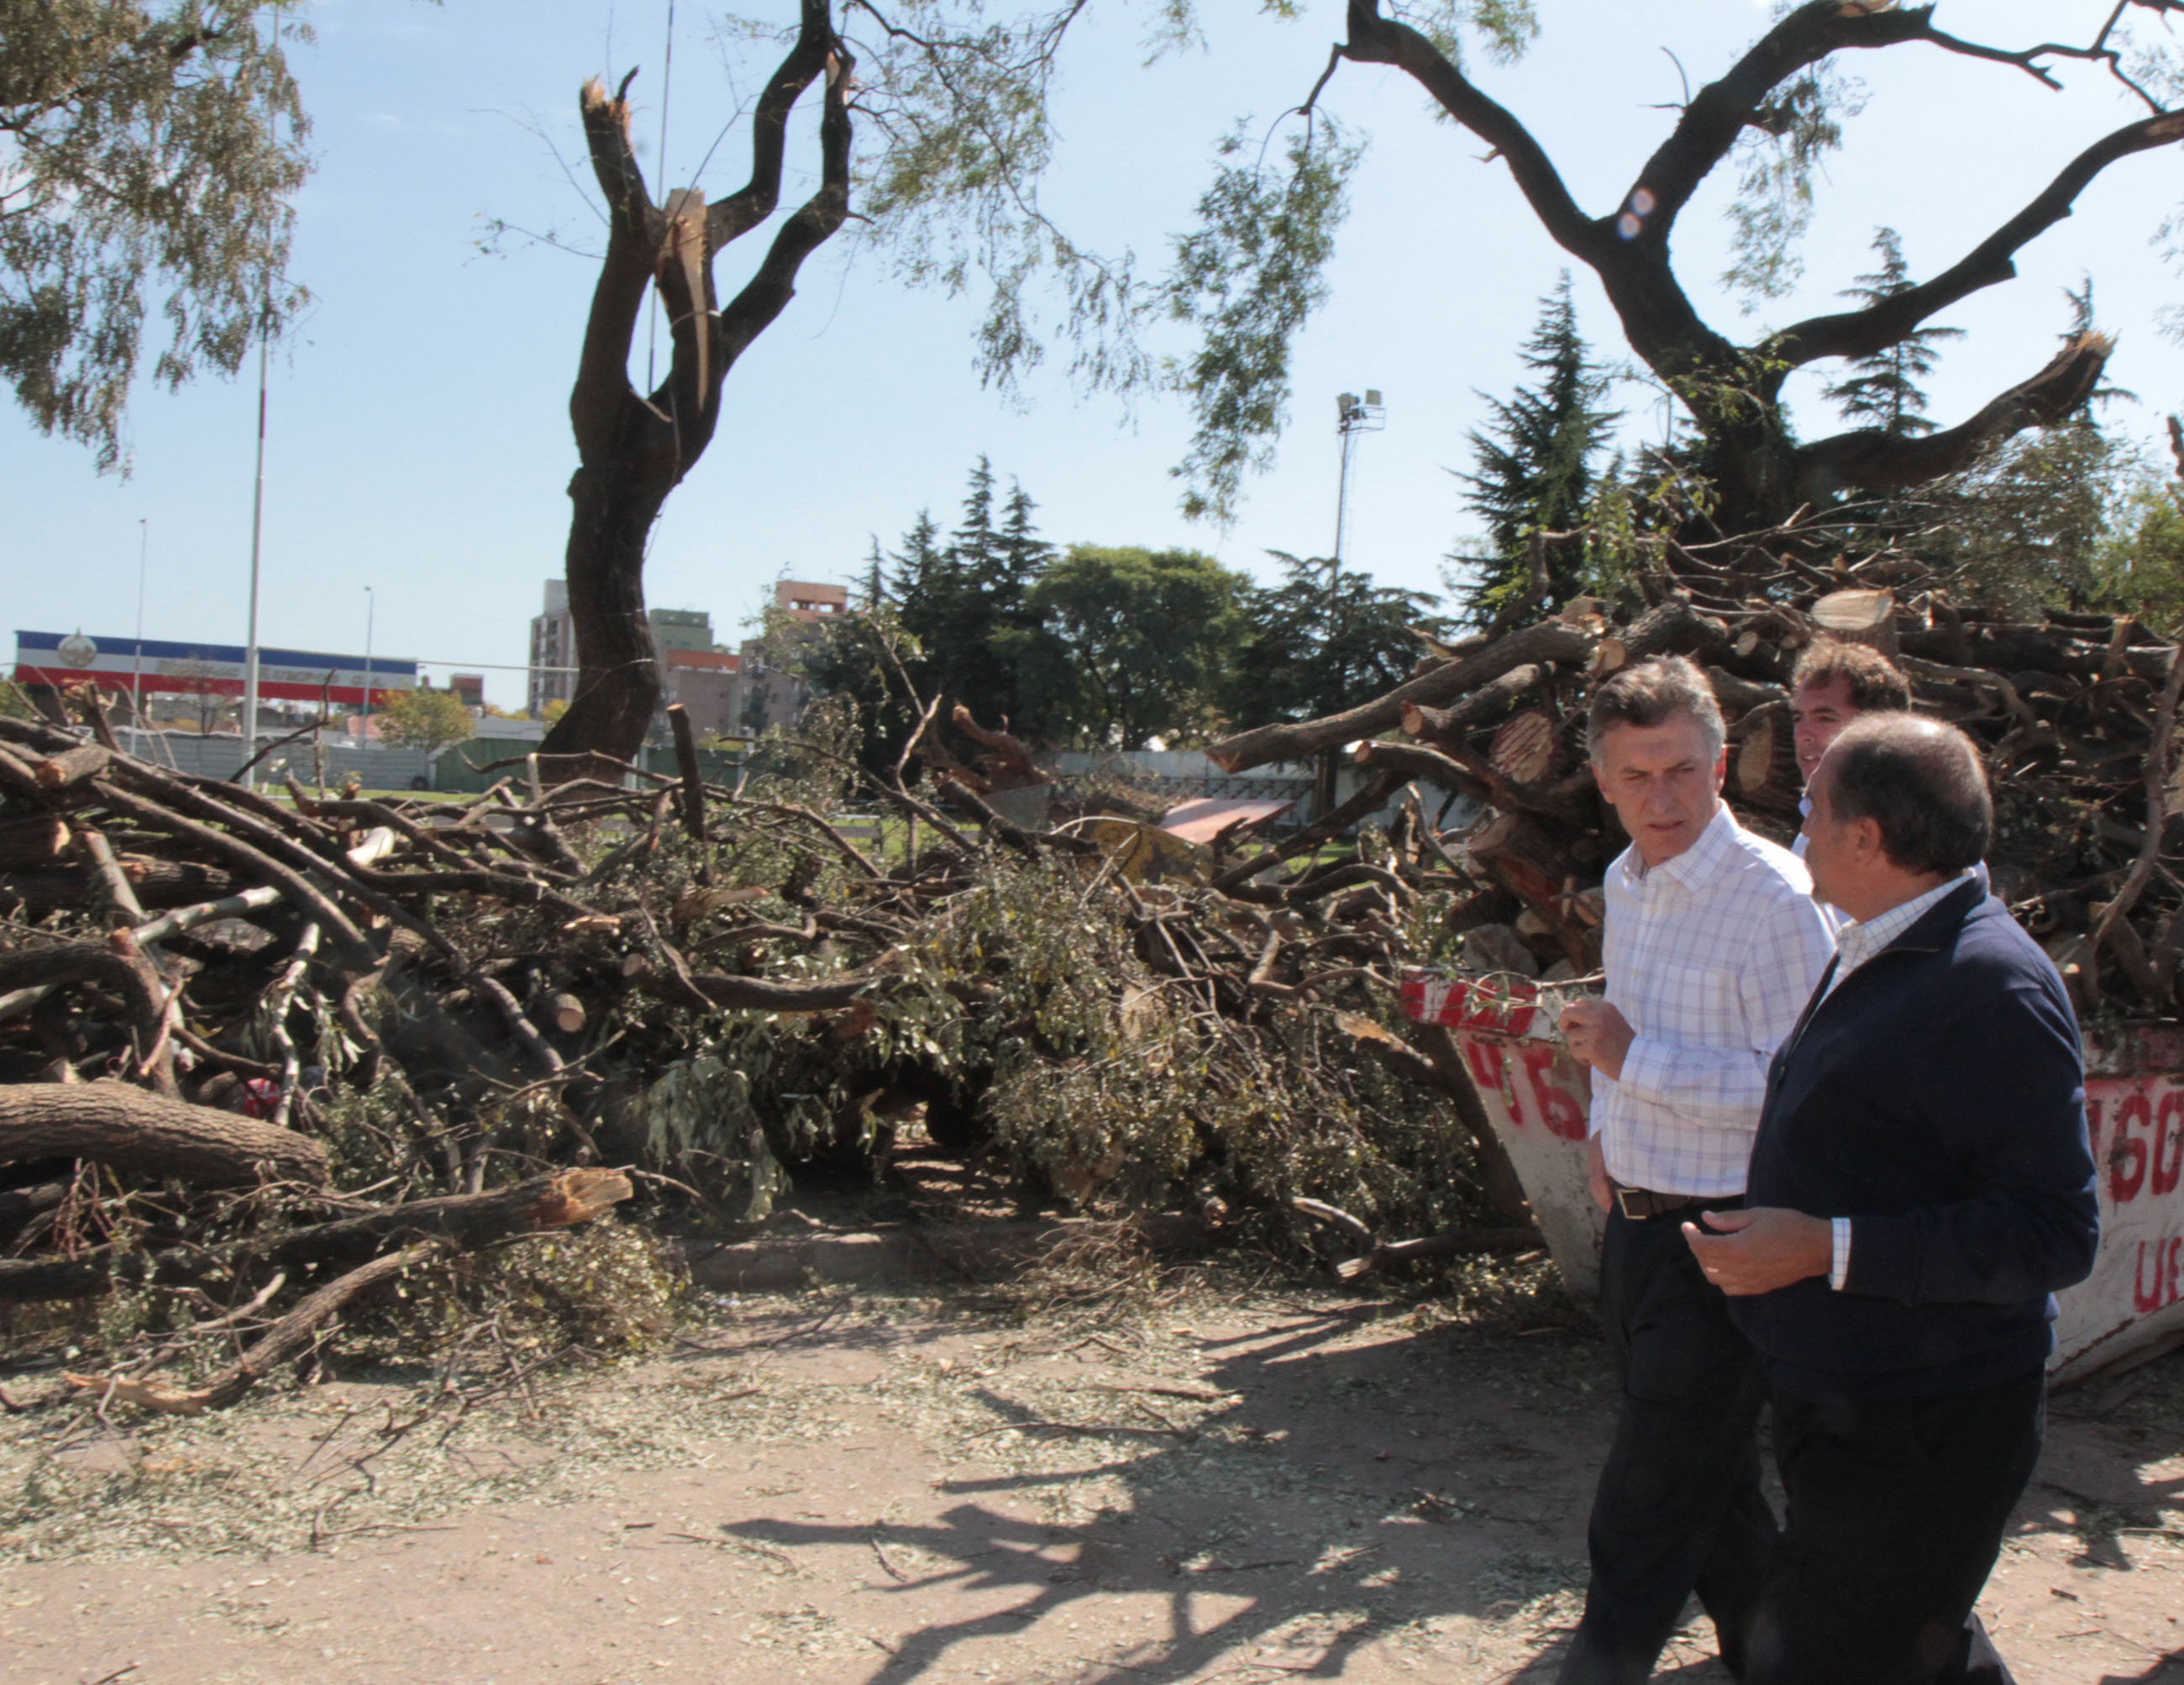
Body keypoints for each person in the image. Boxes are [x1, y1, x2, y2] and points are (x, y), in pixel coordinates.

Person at [1685, 714, 2099, 1685]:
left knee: (1828, 1650)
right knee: (1909, 1645)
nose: (1798, 829)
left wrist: (1823, 1246)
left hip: (1929, 1415)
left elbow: (2053, 1231)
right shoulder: (1880, 942)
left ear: (1865, 837)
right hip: (1853, 1394)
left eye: (1809, 810)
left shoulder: (1988, 986)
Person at [1553, 656, 1837, 1685]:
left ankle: (1598, 1665)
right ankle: (1778, 1657)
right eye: (1636, 775)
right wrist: (1602, 1127)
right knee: (1705, 1482)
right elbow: (1611, 1026)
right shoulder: (1626, 883)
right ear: (1601, 780)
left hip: (1730, 1234)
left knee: (1648, 1491)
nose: (1660, 797)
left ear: (1719, 766)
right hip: (1637, 1220)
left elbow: (1800, 1085)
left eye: (1680, 769)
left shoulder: (1774, 897)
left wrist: (1634, 1063)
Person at [1787, 638, 1912, 859]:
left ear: (1877, 726)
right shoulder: (1809, 832)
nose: (1803, 734)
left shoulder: (1916, 832)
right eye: (1798, 718)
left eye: (1824, 718)